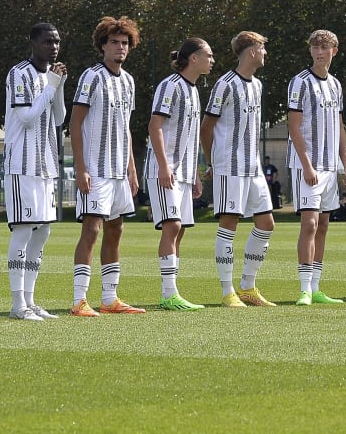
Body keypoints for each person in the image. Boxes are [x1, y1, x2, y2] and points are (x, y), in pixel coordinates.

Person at [69, 16, 146, 316]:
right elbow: (75, 123)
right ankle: (78, 301)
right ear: (102, 45)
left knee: (116, 228)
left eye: (125, 43)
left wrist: (131, 169)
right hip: (96, 170)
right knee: (92, 229)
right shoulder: (91, 77)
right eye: (114, 42)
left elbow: (125, 127)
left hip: (118, 172)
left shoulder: (128, 81)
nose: (120, 48)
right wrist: (80, 167)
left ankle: (109, 298)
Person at [201, 31, 277, 308]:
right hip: (229, 166)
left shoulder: (256, 85)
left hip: (252, 167)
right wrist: (213, 162)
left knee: (266, 223)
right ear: (251, 50)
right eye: (262, 48)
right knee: (229, 224)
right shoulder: (225, 85)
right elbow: (206, 128)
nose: (265, 53)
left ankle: (248, 286)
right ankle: (227, 291)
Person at [4, 22, 69, 321]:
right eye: (47, 42)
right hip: (22, 164)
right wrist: (52, 87)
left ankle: (31, 301)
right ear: (32, 42)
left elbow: (59, 118)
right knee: (23, 230)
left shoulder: (50, 77)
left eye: (56, 42)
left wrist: (59, 86)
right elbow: (28, 117)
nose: (53, 47)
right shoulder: (19, 73)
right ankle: (18, 304)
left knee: (43, 231)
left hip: (46, 165)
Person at [287, 30, 346, 305]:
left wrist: (345, 164)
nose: (319, 51)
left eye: (324, 47)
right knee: (309, 222)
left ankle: (315, 287)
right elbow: (293, 125)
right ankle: (303, 289)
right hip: (308, 166)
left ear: (334, 51)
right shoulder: (299, 82)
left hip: (329, 166)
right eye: (315, 46)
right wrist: (306, 165)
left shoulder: (336, 85)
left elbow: (339, 127)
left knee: (324, 224)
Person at [147, 38, 214, 311]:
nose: (213, 60)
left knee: (181, 230)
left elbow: (191, 137)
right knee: (171, 225)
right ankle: (168, 294)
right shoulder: (170, 86)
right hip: (166, 170)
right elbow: (155, 126)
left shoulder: (194, 91)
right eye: (208, 55)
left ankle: (173, 291)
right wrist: (164, 166)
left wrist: (195, 173)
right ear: (194, 58)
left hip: (185, 173)